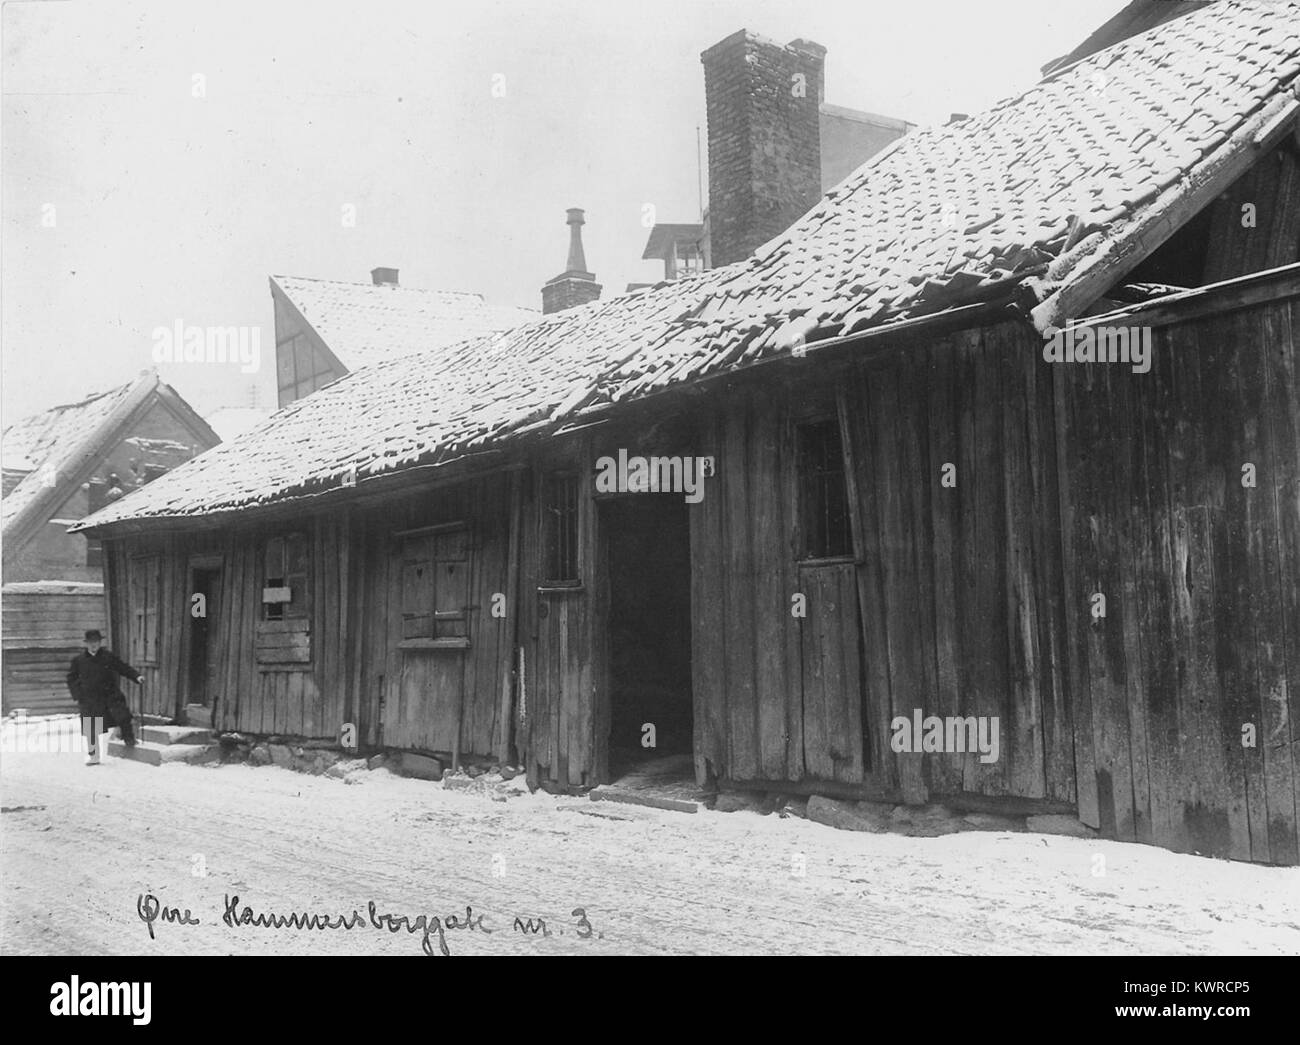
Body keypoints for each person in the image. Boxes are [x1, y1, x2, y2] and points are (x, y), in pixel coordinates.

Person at [66, 629, 142, 765]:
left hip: (109, 695)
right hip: (89, 699)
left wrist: (136, 676)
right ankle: (94, 756)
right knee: (91, 728)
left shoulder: (108, 657)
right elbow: (71, 679)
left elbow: (122, 667)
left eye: (96, 642)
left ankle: (129, 739)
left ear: (100, 643)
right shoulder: (79, 661)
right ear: (86, 644)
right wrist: (78, 695)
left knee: (122, 715)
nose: (93, 645)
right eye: (90, 642)